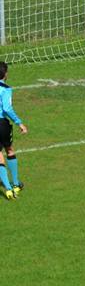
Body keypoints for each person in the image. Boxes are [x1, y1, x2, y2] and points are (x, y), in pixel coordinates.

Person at [0, 62, 26, 200]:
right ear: (5, 74)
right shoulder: (6, 89)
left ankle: (8, 190)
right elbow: (7, 109)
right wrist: (19, 122)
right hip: (2, 124)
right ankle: (15, 184)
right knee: (9, 150)